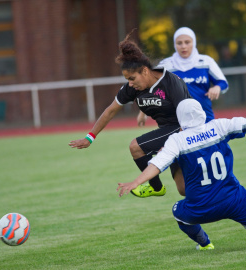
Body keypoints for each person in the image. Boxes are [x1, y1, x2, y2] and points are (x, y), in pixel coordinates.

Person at [118, 99, 246, 250]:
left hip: (200, 206)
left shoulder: (177, 140)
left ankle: (205, 244)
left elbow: (156, 165)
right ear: (201, 112)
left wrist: (135, 182)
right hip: (234, 198)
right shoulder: (219, 126)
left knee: (178, 212)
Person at [69, 30, 191, 198]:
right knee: (183, 190)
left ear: (145, 71)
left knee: (136, 146)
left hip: (185, 128)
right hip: (168, 131)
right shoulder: (132, 88)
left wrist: (172, 145)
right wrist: (90, 137)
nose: (130, 83)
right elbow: (110, 111)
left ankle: (156, 188)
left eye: (132, 78)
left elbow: (187, 119)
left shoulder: (171, 82)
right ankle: (158, 188)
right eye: (127, 79)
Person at [137, 27, 228, 126]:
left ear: (194, 42)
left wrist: (217, 87)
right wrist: (143, 112)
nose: (183, 46)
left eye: (187, 42)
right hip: (177, 122)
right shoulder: (165, 65)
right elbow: (150, 88)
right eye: (179, 43)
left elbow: (223, 83)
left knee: (218, 142)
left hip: (205, 118)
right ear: (175, 45)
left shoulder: (206, 61)